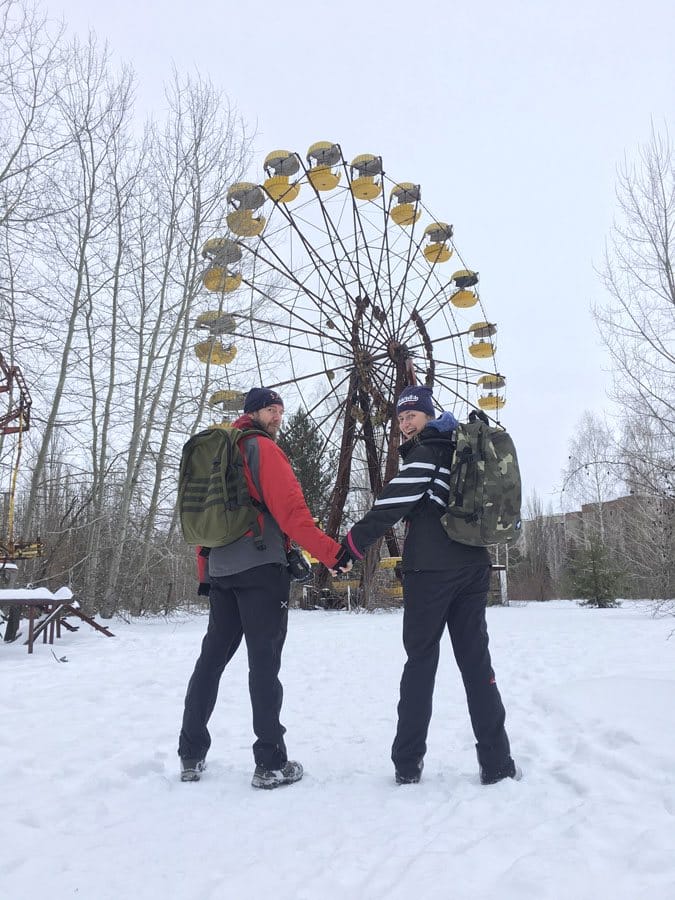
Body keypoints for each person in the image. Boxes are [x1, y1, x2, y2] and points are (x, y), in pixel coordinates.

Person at [333, 385, 518, 786]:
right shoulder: (462, 450)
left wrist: (349, 547)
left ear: (430, 415)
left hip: (431, 573)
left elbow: (390, 506)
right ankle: (498, 762)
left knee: (420, 664)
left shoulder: (428, 452)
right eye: (400, 418)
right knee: (476, 664)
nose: (405, 423)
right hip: (473, 566)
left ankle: (407, 762)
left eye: (412, 415)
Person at [178, 387, 348, 788]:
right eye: (272, 410)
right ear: (253, 413)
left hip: (222, 569)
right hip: (260, 569)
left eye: (280, 411)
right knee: (264, 665)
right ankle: (270, 762)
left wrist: (207, 572)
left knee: (211, 661)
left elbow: (209, 522)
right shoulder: (261, 450)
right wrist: (332, 554)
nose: (278, 417)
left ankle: (190, 753)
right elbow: (293, 515)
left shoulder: (221, 449)